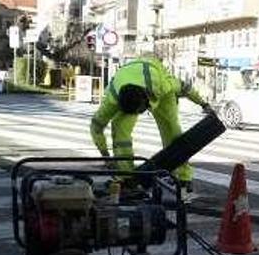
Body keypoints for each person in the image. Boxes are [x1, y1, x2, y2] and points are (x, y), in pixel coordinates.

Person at [90, 57, 210, 192]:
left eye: (141, 110)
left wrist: (203, 104)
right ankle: (127, 178)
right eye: (135, 113)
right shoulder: (112, 100)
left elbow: (185, 87)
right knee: (119, 130)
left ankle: (184, 177)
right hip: (130, 82)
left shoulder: (162, 85)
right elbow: (96, 127)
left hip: (158, 83)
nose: (140, 114)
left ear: (146, 99)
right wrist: (106, 156)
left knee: (172, 130)